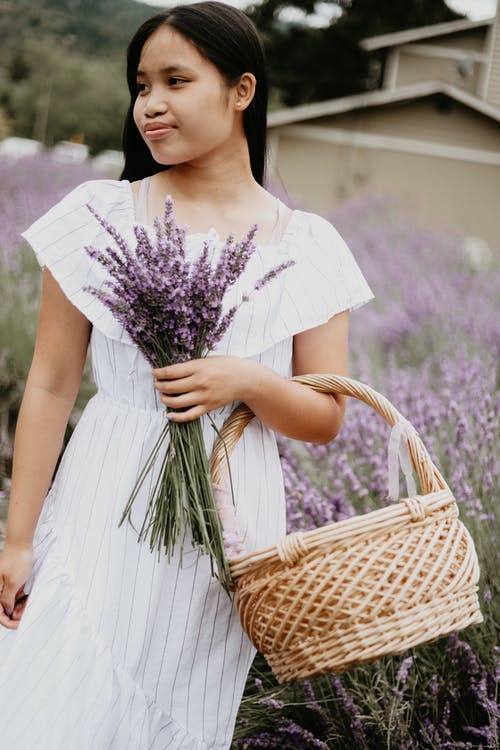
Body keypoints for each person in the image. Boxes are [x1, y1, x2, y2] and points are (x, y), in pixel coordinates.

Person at [0, 2, 374, 748]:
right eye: (141, 84)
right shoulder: (99, 215)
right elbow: (48, 385)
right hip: (103, 493)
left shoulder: (309, 244)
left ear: (242, 91)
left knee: (175, 712)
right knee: (52, 694)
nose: (151, 104)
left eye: (176, 79)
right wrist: (16, 541)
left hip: (225, 530)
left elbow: (326, 420)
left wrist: (249, 381)